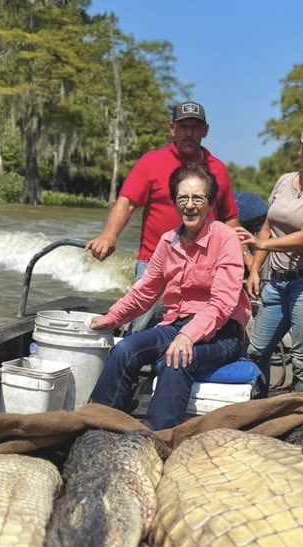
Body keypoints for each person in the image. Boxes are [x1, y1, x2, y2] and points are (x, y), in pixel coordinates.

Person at [87, 163, 251, 430]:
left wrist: (188, 335)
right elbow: (145, 291)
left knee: (177, 360)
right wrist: (111, 318)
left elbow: (222, 303)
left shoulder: (225, 238)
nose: (189, 205)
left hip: (223, 332)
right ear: (174, 202)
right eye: (182, 198)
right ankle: (99, 425)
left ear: (210, 203)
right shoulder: (168, 241)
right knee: (124, 350)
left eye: (198, 198)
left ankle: (158, 437)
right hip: (177, 323)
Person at [85, 101, 243, 331]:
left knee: (196, 329)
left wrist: (242, 255)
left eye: (195, 127)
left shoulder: (217, 168)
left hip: (204, 266)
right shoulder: (151, 162)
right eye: (183, 127)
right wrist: (109, 236)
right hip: (154, 262)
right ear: (172, 129)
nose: (189, 133)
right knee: (140, 329)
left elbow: (229, 218)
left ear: (205, 131)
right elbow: (127, 202)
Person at [236, 120, 303, 396]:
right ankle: (258, 405)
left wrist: (259, 244)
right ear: (300, 148)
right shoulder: (285, 181)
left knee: (302, 359)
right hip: (277, 282)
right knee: (256, 350)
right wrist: (254, 270)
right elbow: (268, 225)